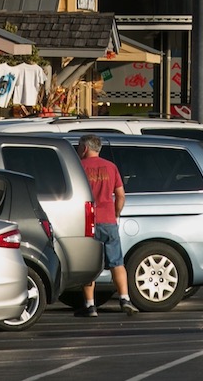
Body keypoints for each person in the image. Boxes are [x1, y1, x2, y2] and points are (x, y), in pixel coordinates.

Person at [76, 134, 137, 316]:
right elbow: (120, 195)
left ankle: (90, 305)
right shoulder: (111, 167)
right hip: (109, 220)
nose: (78, 150)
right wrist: (115, 213)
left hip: (87, 222)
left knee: (88, 264)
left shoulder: (79, 167)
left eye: (79, 147)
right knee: (117, 262)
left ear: (85, 148)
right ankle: (124, 299)